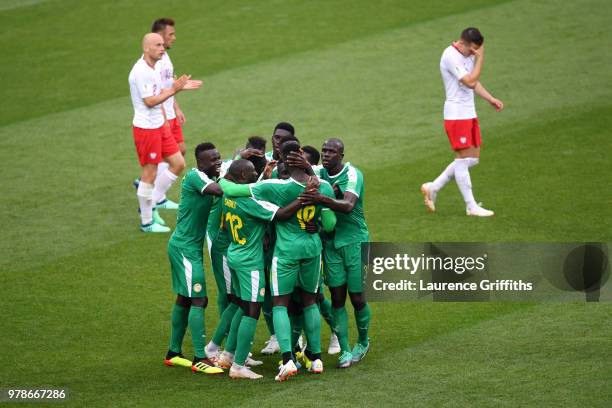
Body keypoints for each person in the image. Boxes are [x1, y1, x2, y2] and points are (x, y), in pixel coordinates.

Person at [220, 141, 337, 381]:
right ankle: (316, 358)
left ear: (283, 159)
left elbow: (233, 191)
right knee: (310, 302)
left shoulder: (275, 187)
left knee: (280, 305)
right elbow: (330, 224)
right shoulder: (322, 185)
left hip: (285, 252)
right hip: (312, 249)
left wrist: (224, 177)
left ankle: (288, 359)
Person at [219, 160, 304, 379]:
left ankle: (228, 354)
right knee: (252, 311)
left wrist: (262, 178)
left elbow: (254, 189)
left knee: (240, 305)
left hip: (234, 254)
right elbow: (282, 214)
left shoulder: (228, 196)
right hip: (250, 263)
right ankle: (238, 366)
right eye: (252, 172)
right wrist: (305, 198)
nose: (256, 174)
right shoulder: (249, 202)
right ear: (240, 177)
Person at [299, 138, 371, 368]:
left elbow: (348, 205)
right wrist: (314, 224)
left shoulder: (353, 175)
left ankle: (363, 341)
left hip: (355, 242)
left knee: (357, 297)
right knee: (337, 298)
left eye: (332, 151)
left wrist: (321, 198)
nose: (327, 154)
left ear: (341, 154)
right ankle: (346, 350)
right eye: (324, 151)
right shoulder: (318, 172)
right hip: (330, 245)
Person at [421, 27, 504, 217]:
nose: (474, 53)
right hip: (456, 114)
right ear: (463, 43)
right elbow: (469, 80)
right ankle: (471, 206)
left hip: (469, 112)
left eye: (477, 51)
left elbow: (474, 82)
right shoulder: (450, 56)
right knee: (462, 160)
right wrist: (481, 58)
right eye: (473, 50)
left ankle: (433, 187)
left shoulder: (469, 53)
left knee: (472, 159)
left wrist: (490, 98)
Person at [128, 33, 200, 232]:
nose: (162, 47)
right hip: (146, 129)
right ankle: (146, 221)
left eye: (162, 44)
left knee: (178, 163)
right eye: (158, 45)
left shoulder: (154, 68)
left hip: (159, 125)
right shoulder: (141, 71)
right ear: (146, 48)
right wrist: (175, 89)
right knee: (149, 173)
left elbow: (159, 96)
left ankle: (153, 200)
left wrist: (166, 118)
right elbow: (149, 101)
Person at [163, 142, 224, 375]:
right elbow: (218, 191)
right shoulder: (195, 177)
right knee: (199, 299)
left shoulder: (208, 178)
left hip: (188, 247)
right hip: (184, 250)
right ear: (201, 162)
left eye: (219, 157)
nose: (217, 162)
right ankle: (201, 358)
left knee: (185, 299)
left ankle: (173, 353)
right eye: (213, 159)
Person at [148, 18, 188, 211]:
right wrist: (163, 116)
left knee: (180, 150)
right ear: (160, 35)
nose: (174, 37)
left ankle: (158, 194)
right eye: (170, 34)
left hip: (171, 113)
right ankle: (151, 196)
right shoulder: (154, 62)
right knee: (174, 160)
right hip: (162, 116)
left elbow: (168, 87)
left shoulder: (165, 57)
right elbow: (157, 92)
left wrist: (177, 108)